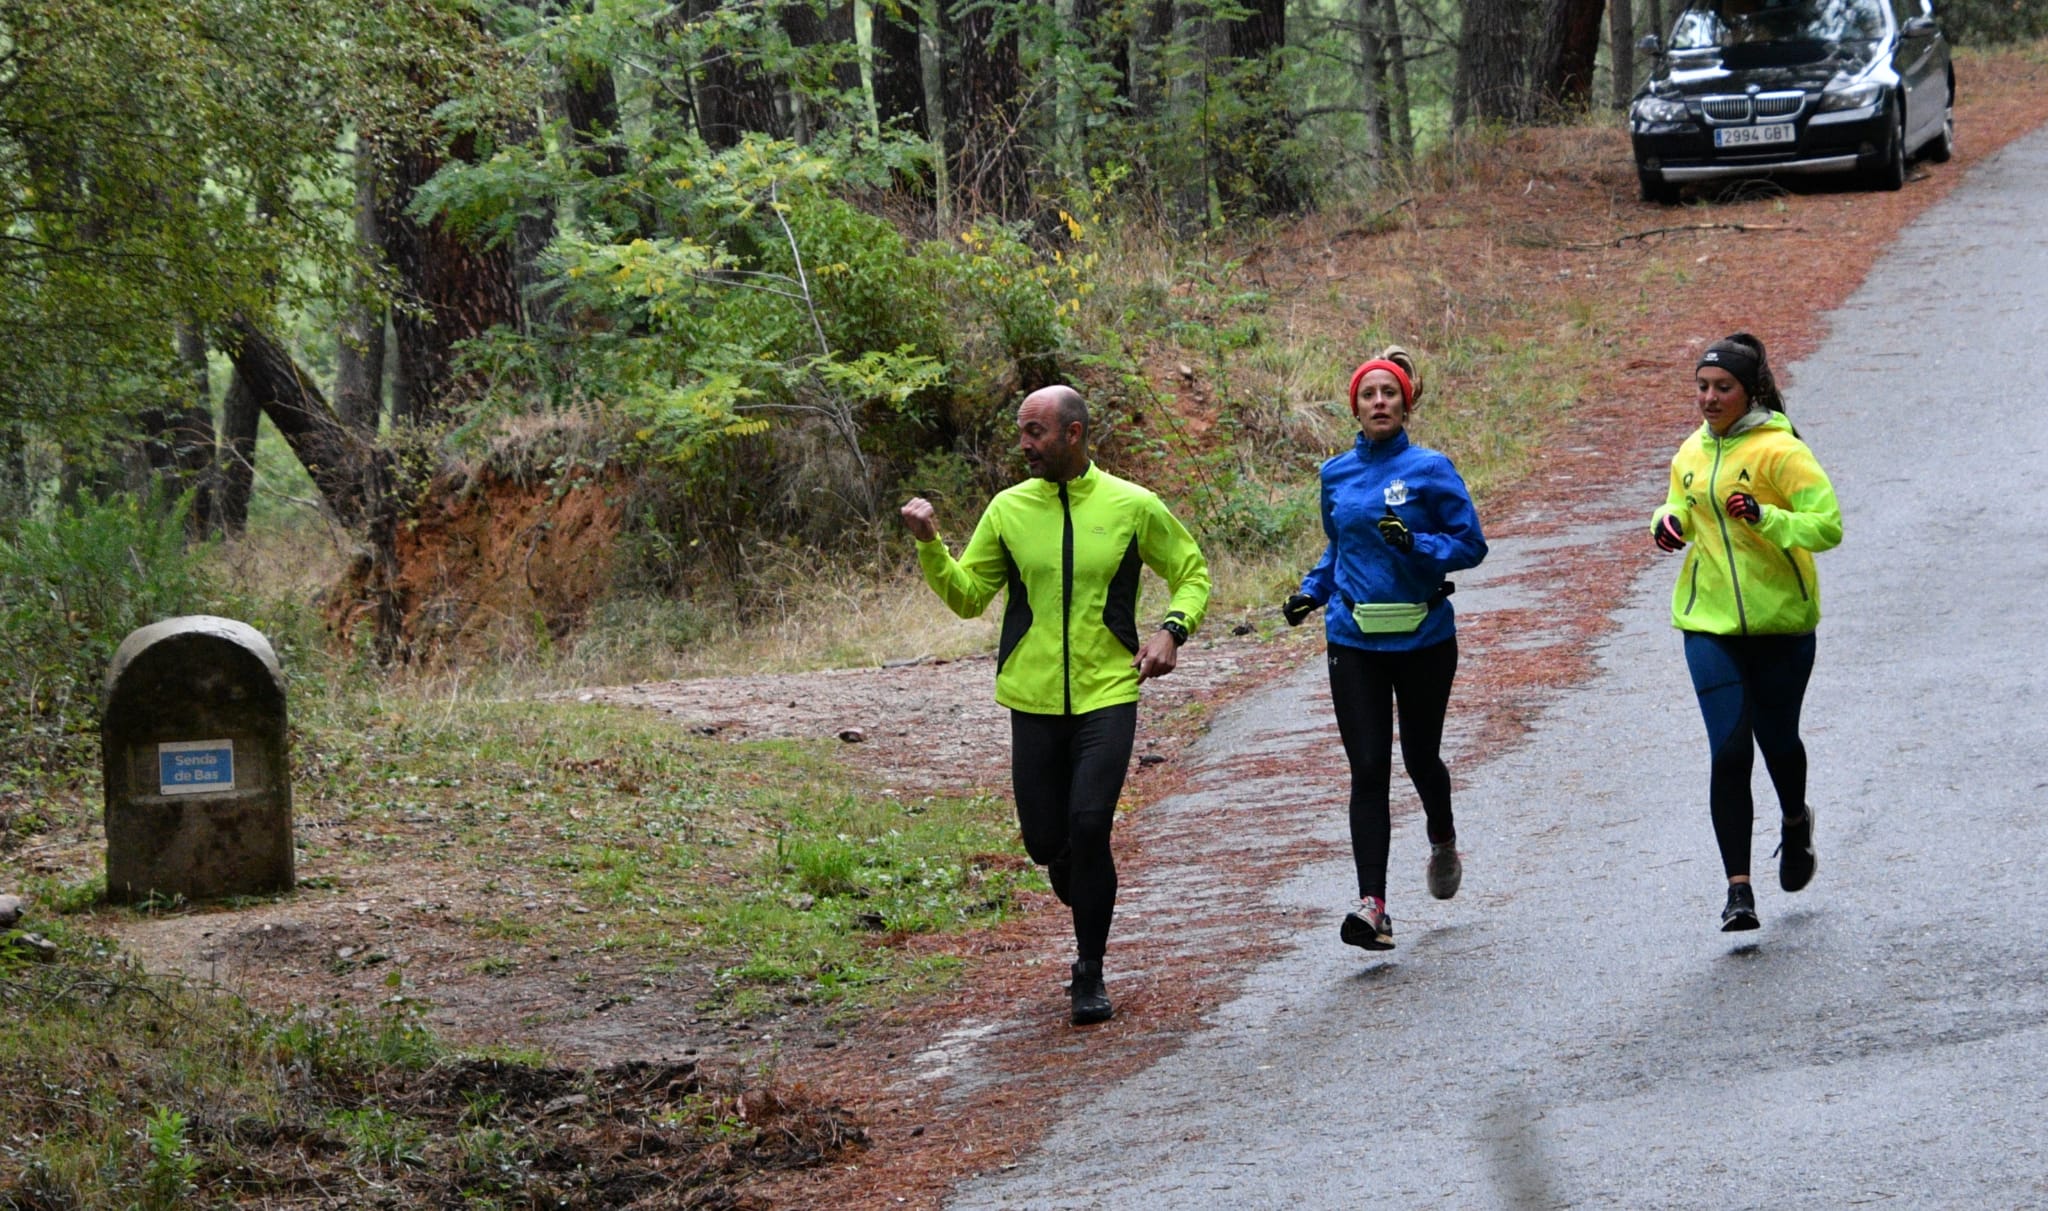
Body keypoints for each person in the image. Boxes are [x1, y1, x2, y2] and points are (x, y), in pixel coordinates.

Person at [900, 384, 1210, 1025]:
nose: (1024, 445)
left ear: (1073, 434)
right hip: (1032, 698)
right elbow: (967, 596)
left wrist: (1170, 629)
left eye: (1035, 432)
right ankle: (1073, 866)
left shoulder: (1132, 505)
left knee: (1091, 826)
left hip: (1108, 691)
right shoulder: (1009, 510)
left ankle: (1090, 971)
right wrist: (931, 545)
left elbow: (1191, 569)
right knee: (1049, 843)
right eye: (1021, 432)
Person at [1282, 347, 1487, 952]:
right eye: (1369, 395)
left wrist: (1417, 543)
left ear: (1406, 402)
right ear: (1356, 405)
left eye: (1389, 394)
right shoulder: (1336, 474)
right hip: (1353, 638)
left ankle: (1442, 838)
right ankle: (1373, 907)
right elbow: (1338, 546)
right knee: (1368, 767)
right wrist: (1311, 591)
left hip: (1423, 635)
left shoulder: (1431, 469)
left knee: (1422, 758)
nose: (1379, 403)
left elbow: (1470, 545)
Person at [1650, 333, 1842, 932]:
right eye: (1702, 388)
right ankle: (1739, 891)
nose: (1709, 398)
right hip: (1709, 623)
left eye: (1722, 388)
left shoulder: (1780, 452)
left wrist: (1766, 517)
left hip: (1781, 621)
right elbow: (1672, 505)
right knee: (1730, 752)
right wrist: (1667, 523)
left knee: (1778, 741)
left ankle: (1793, 820)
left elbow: (1827, 526)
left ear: (1748, 390)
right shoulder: (1691, 453)